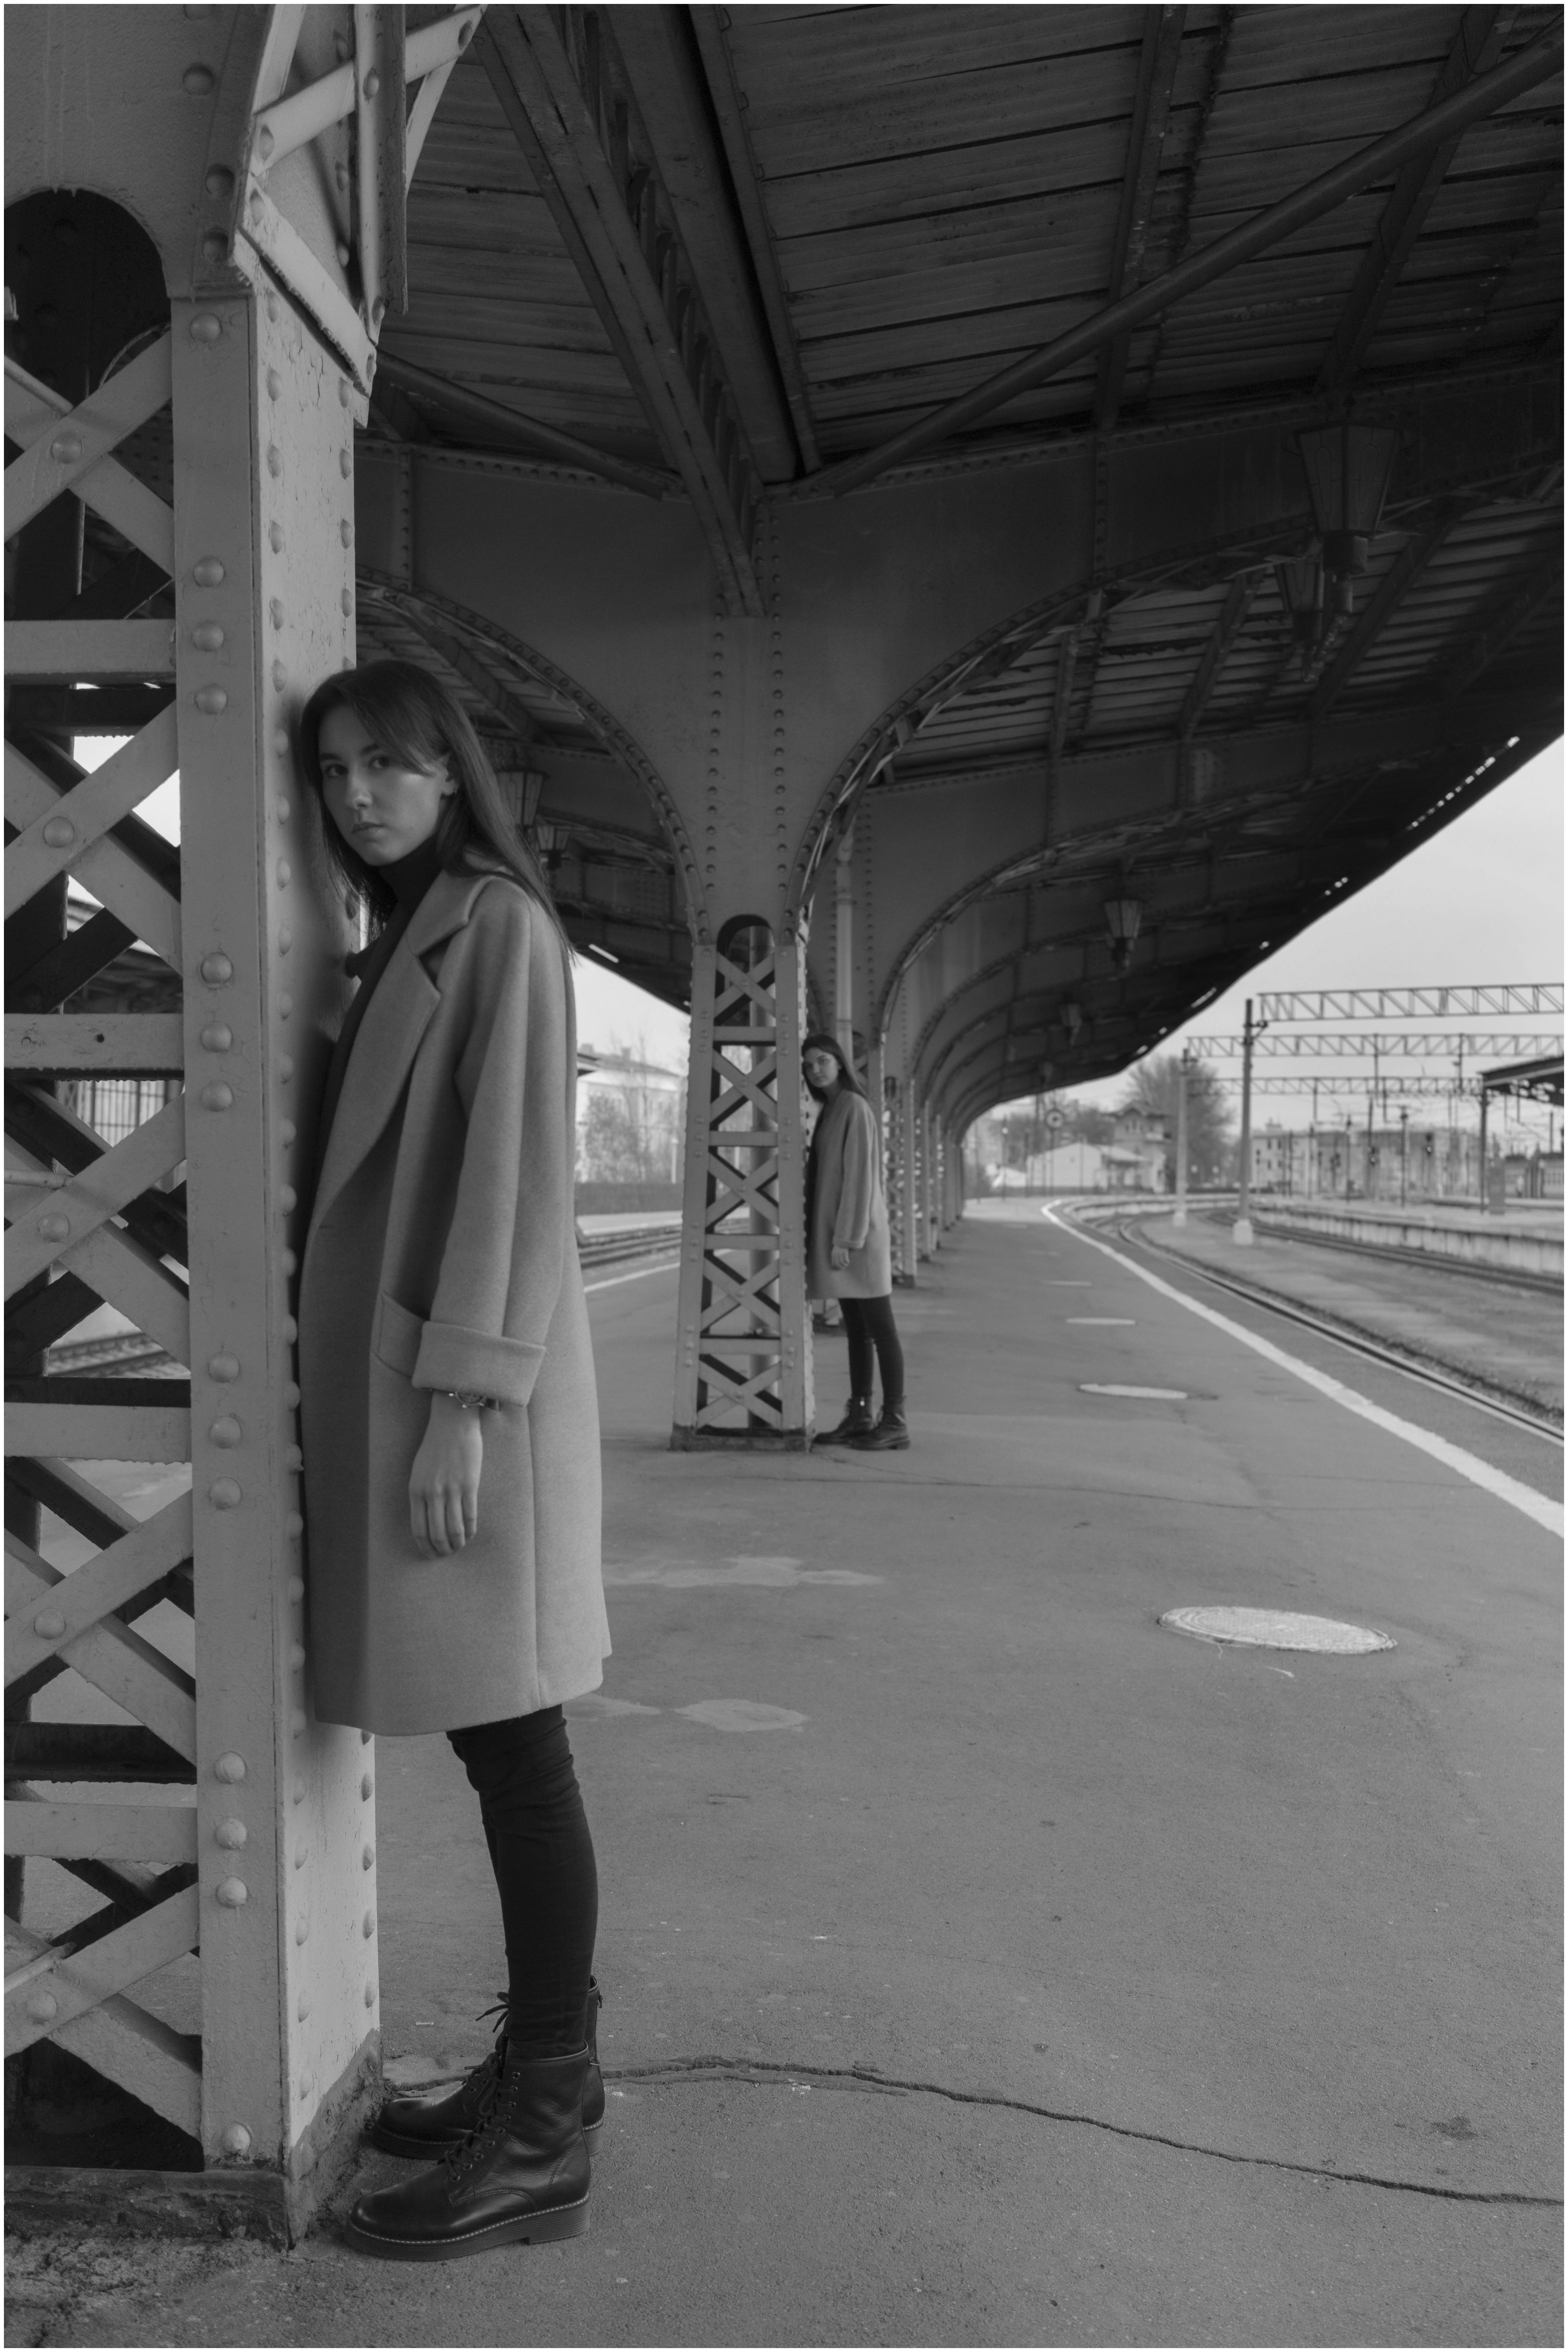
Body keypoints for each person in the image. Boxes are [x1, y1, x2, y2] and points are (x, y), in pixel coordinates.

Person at [295, 660, 610, 2262]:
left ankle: (547, 2125)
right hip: (425, 1386)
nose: (362, 794)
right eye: (338, 769)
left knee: (519, 1745)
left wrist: (464, 1404)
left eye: (394, 764)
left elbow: (515, 1176)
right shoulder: (403, 935)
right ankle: (537, 2078)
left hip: (467, 1399)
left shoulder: (494, 924)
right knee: (508, 1746)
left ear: (449, 773)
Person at [802, 1033, 908, 1450]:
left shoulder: (854, 1108)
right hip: (842, 1239)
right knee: (858, 1332)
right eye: (809, 1065)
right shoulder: (831, 1109)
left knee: (881, 1330)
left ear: (841, 1063)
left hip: (857, 1241)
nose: (816, 1070)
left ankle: (895, 1419)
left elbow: (860, 1178)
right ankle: (861, 1413)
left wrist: (846, 1238)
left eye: (823, 1061)